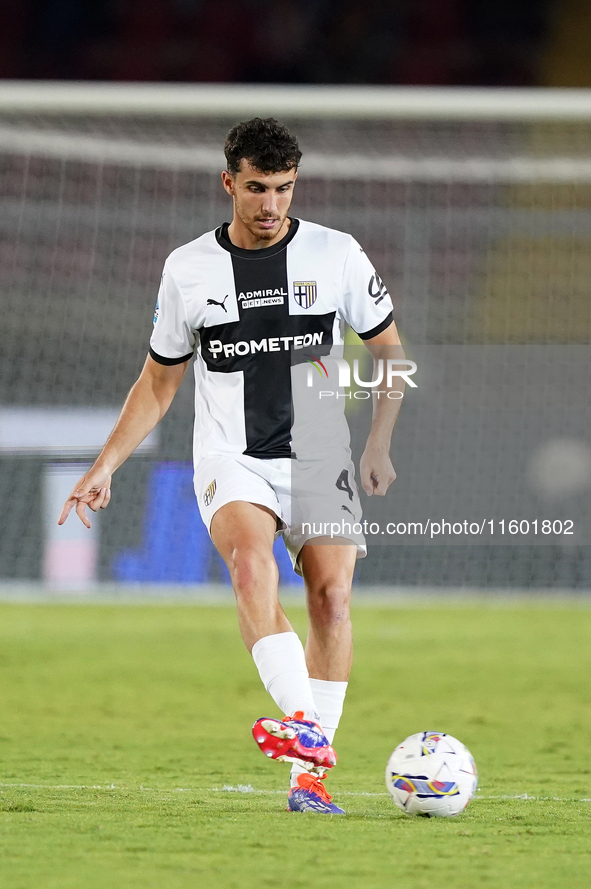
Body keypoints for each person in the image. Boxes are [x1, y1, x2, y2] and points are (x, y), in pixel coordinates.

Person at [59, 117, 402, 815]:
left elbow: (391, 352)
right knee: (251, 565)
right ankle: (309, 735)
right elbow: (158, 382)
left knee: (331, 598)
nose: (270, 203)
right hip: (232, 454)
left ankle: (307, 775)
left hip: (318, 450)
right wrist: (106, 463)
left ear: (294, 183)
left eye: (282, 187)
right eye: (255, 187)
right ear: (229, 183)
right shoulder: (189, 269)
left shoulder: (337, 255)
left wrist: (377, 442)